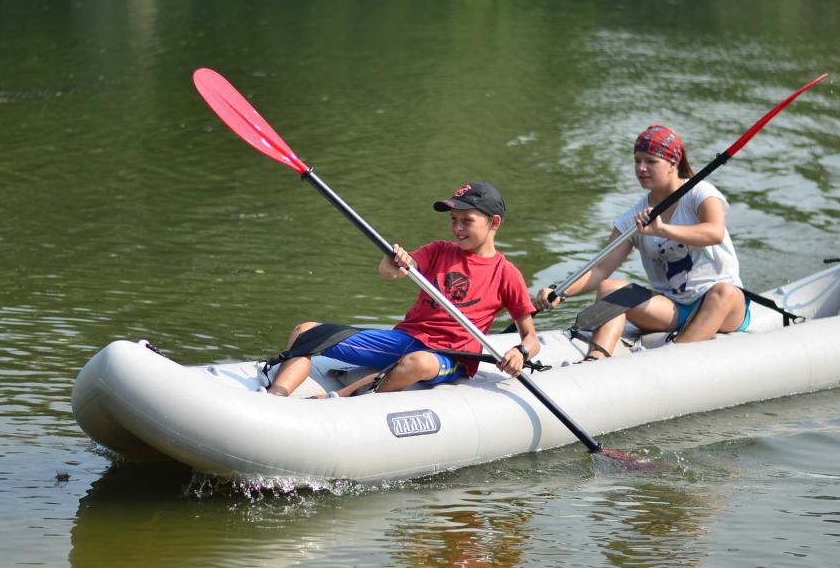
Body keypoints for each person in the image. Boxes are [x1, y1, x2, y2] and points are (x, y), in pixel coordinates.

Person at [267, 181, 540, 397]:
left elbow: (531, 338)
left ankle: (357, 403)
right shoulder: (438, 251)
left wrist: (520, 353)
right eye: (453, 220)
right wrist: (394, 259)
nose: (457, 228)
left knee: (418, 362)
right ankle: (275, 397)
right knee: (306, 333)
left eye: (466, 220)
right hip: (406, 339)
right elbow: (390, 272)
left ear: (494, 223)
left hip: (452, 356)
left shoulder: (506, 274)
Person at [534, 125, 749, 359]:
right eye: (637, 161)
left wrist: (663, 229)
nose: (641, 168)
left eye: (651, 161)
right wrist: (560, 291)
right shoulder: (632, 219)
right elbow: (599, 269)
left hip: (725, 307)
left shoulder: (700, 193)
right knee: (609, 289)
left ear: (673, 163)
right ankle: (596, 359)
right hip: (672, 310)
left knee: (723, 292)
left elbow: (714, 232)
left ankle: (674, 359)